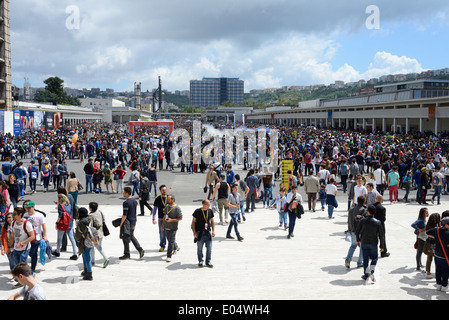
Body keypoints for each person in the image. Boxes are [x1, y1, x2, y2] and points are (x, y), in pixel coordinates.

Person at [355, 205, 386, 283]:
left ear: (367, 211)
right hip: (373, 243)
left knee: (365, 259)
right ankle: (371, 271)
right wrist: (382, 246)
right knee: (374, 258)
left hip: (364, 242)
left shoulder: (362, 220)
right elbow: (381, 235)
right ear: (375, 212)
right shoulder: (378, 222)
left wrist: (358, 240)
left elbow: (357, 231)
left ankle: (366, 274)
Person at [75, 207, 101, 281]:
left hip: (84, 241)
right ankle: (85, 270)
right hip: (91, 239)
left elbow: (78, 235)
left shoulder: (80, 222)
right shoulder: (91, 218)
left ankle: (89, 274)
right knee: (85, 255)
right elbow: (98, 225)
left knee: (86, 256)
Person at [119, 186, 144, 260]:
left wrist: (121, 223)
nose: (123, 193)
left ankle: (128, 254)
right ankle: (136, 251)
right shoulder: (134, 201)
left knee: (126, 237)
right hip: (134, 220)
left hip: (128, 222)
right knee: (130, 235)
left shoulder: (126, 203)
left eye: (124, 192)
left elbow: (124, 215)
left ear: (127, 193)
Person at [23, 201, 47, 275]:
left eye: (29, 207)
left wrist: (45, 235)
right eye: (27, 208)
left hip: (36, 238)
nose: (28, 209)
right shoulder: (24, 215)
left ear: (33, 207)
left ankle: (32, 268)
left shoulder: (39, 215)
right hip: (26, 237)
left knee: (33, 254)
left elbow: (44, 226)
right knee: (28, 253)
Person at [426, 216, 449, 292]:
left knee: (438, 270)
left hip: (437, 254)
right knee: (445, 271)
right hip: (445, 256)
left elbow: (427, 232)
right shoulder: (447, 233)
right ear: (445, 224)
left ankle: (438, 285)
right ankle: (444, 286)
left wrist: (434, 237)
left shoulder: (436, 230)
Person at [53, 194, 78, 260]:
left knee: (59, 239)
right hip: (69, 223)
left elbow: (60, 215)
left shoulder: (60, 206)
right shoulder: (69, 205)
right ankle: (75, 253)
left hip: (62, 224)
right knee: (72, 239)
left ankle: (57, 252)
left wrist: (56, 223)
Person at [191, 199, 215, 267]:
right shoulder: (197, 211)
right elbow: (193, 222)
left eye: (209, 204)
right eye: (208, 204)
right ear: (203, 204)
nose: (209, 205)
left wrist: (213, 231)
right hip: (200, 232)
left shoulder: (210, 211)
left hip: (208, 232)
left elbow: (212, 221)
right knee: (200, 248)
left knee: (209, 248)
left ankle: (208, 261)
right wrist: (194, 232)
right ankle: (200, 261)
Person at [345, 196, 367, 269]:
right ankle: (360, 262)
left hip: (353, 231)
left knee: (353, 245)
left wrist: (349, 229)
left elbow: (349, 220)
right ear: (364, 202)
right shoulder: (364, 210)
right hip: (361, 231)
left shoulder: (351, 210)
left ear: (357, 201)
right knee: (362, 247)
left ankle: (348, 259)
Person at [161, 194, 182, 262]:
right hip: (167, 227)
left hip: (173, 227)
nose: (167, 200)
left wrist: (171, 220)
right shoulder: (167, 206)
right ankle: (175, 247)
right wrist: (162, 225)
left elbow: (180, 218)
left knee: (171, 242)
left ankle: (169, 256)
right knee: (170, 240)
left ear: (173, 200)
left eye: (168, 199)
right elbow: (165, 216)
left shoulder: (177, 208)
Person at [88, 202, 109, 268]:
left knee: (95, 247)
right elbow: (103, 220)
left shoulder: (90, 215)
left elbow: (90, 226)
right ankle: (93, 261)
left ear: (90, 208)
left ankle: (105, 258)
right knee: (97, 247)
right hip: (101, 233)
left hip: (95, 235)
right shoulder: (100, 212)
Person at [411, 207, 429, 272]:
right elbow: (413, 224)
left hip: (424, 237)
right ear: (422, 213)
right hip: (421, 238)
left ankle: (420, 264)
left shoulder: (424, 219)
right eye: (426, 212)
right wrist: (418, 229)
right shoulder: (421, 220)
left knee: (420, 251)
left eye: (427, 212)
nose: (427, 213)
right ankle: (418, 266)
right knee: (419, 251)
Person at [424, 213, 440, 279]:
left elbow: (426, 233)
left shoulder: (428, 225)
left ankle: (428, 272)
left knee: (429, 259)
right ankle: (437, 273)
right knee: (437, 260)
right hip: (436, 245)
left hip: (429, 244)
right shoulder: (437, 226)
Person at [153, 184, 168, 252]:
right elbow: (155, 209)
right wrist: (153, 218)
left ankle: (174, 245)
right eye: (162, 190)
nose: (164, 191)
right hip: (161, 219)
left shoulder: (169, 198)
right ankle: (162, 245)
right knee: (162, 233)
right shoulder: (158, 199)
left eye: (165, 190)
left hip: (169, 219)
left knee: (170, 233)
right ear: (160, 191)